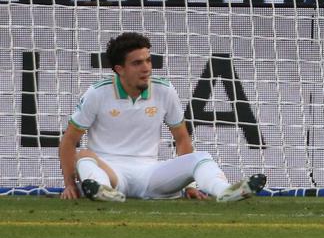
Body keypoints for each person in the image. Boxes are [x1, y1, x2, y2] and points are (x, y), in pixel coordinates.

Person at [59, 32, 266, 202]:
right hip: (111, 172)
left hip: (150, 174)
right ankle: (104, 192)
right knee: (84, 155)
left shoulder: (164, 89)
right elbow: (69, 141)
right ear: (119, 69)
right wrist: (70, 185)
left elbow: (182, 138)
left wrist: (190, 184)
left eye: (148, 60)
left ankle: (224, 192)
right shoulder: (97, 93)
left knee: (201, 157)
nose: (146, 68)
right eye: (137, 63)